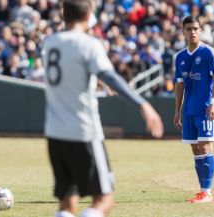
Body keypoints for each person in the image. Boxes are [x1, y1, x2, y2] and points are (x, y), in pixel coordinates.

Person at [42, 1, 164, 217]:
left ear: (63, 15)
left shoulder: (50, 42)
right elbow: (109, 76)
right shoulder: (88, 44)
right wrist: (142, 104)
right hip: (83, 132)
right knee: (104, 200)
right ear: (89, 15)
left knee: (67, 204)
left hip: (54, 134)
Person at [173, 16, 214, 203]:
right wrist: (177, 110)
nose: (192, 32)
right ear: (184, 32)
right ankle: (202, 191)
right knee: (195, 149)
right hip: (188, 110)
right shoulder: (180, 57)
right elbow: (179, 85)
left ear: (200, 30)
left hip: (206, 107)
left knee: (205, 145)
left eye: (195, 28)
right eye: (189, 29)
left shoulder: (208, 53)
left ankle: (208, 192)